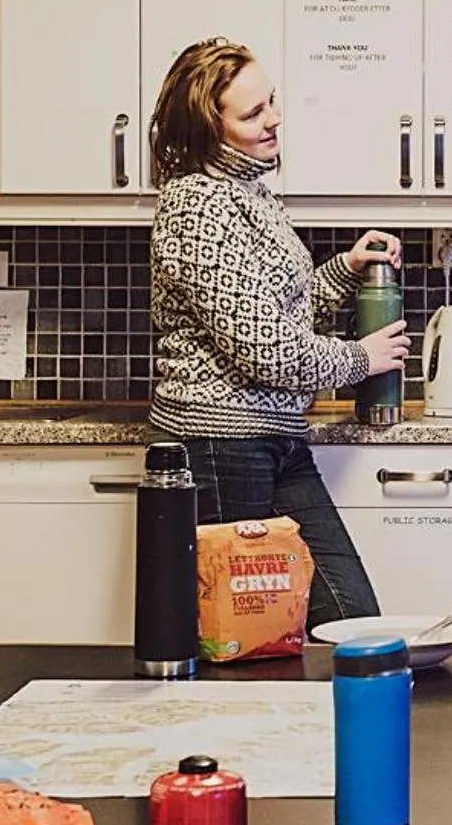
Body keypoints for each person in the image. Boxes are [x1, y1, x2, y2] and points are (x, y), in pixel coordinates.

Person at [146, 37, 411, 627]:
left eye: (272, 101)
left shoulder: (250, 192)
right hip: (220, 447)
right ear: (208, 128)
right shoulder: (196, 206)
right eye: (254, 113)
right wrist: (361, 359)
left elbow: (275, 310)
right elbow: (267, 350)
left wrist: (345, 267)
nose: (275, 119)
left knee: (348, 619)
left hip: (273, 438)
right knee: (244, 637)